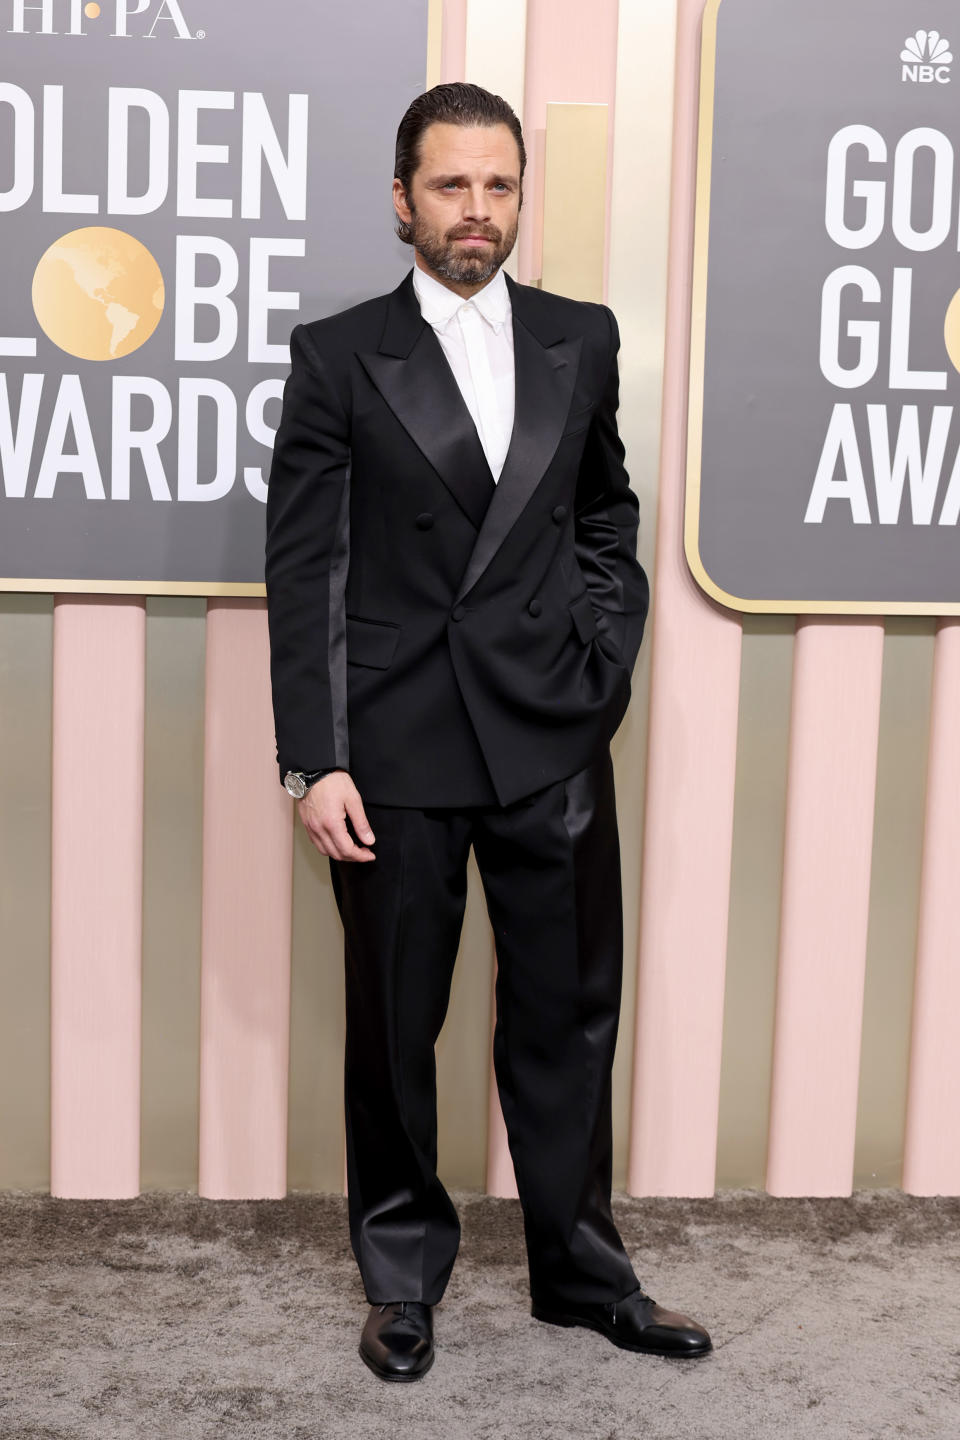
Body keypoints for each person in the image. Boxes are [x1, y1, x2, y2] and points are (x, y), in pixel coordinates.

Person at [264, 81, 711, 1382]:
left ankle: (581, 1271)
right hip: (394, 748)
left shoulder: (583, 336)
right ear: (404, 200)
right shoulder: (341, 354)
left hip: (550, 733)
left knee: (569, 1015)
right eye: (452, 186)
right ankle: (402, 1276)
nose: (478, 210)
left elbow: (604, 518)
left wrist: (601, 656)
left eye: (500, 185)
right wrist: (315, 754)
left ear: (521, 196)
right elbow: (308, 574)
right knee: (397, 1026)